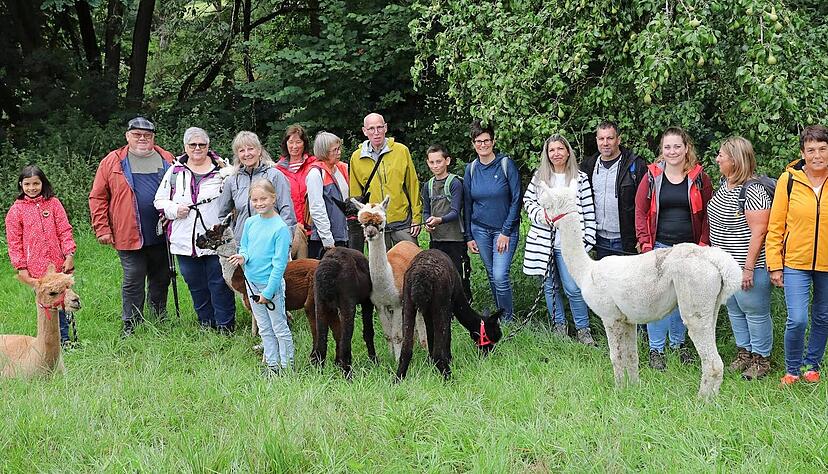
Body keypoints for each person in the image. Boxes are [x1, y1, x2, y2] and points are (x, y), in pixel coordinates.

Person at [635, 126, 712, 370]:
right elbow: (640, 211)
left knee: (682, 300)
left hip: (689, 249)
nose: (672, 151)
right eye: (667, 147)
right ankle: (656, 349)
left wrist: (703, 244)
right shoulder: (652, 176)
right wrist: (645, 243)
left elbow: (710, 213)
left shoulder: (699, 177)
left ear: (686, 148)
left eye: (677, 146)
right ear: (662, 150)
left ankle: (678, 345)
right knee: (657, 299)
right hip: (659, 247)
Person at [89, 116, 174, 336]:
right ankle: (131, 323)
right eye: (137, 135)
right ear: (128, 136)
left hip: (162, 233)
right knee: (133, 278)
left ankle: (158, 317)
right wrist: (102, 228)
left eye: (147, 135)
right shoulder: (112, 161)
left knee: (161, 277)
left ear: (153, 137)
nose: (142, 139)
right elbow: (98, 197)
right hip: (128, 233)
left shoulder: (166, 158)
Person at [154, 127, 236, 331]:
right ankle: (206, 324)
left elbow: (236, 199)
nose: (197, 148)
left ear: (208, 146)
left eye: (202, 144)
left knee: (220, 283)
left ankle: (225, 325)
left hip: (216, 238)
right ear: (185, 147)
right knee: (195, 283)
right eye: (193, 145)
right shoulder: (174, 172)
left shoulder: (223, 170)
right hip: (185, 240)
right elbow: (159, 200)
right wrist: (174, 210)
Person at [708, 136, 773, 380]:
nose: (717, 160)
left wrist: (747, 269)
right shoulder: (725, 185)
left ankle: (761, 359)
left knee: (754, 311)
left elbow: (759, 233)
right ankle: (744, 353)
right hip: (727, 266)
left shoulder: (753, 190)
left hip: (749, 266)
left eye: (721, 156)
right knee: (735, 310)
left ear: (735, 160)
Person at [768, 125, 828, 386]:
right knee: (797, 319)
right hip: (795, 262)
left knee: (823, 316)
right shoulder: (789, 180)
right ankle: (792, 369)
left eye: (823, 149)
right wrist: (774, 264)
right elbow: (775, 225)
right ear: (803, 153)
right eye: (811, 150)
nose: (818, 155)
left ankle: (811, 365)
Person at [523, 134, 597, 345]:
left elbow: (588, 211)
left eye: (560, 149)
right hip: (544, 241)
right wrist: (542, 216)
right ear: (547, 154)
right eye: (552, 150)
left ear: (567, 152)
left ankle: (583, 329)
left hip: (570, 244)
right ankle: (559, 327)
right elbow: (528, 201)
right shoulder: (540, 178)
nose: (556, 153)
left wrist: (587, 240)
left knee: (573, 288)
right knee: (550, 286)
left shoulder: (579, 178)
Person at [5, 165, 77, 347]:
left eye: (36, 183)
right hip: (36, 271)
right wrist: (21, 267)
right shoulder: (16, 210)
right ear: (21, 185)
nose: (32, 188)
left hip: (59, 267)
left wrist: (69, 253)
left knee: (63, 301)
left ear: (42, 183)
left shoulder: (53, 204)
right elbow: (14, 241)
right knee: (47, 304)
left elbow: (64, 230)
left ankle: (65, 340)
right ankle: (49, 343)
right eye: (27, 184)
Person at [228, 180, 294, 376]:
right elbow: (246, 248)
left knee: (279, 326)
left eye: (263, 199)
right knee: (264, 327)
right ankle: (272, 365)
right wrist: (243, 257)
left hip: (270, 285)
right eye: (254, 200)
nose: (259, 203)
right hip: (251, 283)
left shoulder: (280, 228)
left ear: (273, 198)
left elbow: (279, 264)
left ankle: (287, 367)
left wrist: (268, 291)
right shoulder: (250, 223)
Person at [464, 120, 521, 322]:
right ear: (473, 144)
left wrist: (505, 231)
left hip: (504, 230)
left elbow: (516, 199)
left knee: (499, 275)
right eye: (478, 141)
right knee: (490, 274)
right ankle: (499, 313)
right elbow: (468, 204)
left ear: (493, 141)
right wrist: (468, 236)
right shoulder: (470, 169)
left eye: (486, 140)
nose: (483, 145)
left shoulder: (506, 164)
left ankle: (507, 319)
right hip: (480, 229)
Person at [349, 113, 422, 251]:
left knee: (412, 260)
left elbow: (413, 185)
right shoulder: (356, 157)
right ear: (365, 131)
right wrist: (363, 226)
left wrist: (416, 217)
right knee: (381, 265)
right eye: (371, 129)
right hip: (375, 223)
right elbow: (356, 195)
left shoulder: (401, 151)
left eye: (379, 127)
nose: (376, 133)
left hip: (402, 220)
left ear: (386, 128)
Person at [580, 121, 647, 258]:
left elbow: (646, 204)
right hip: (599, 240)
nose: (605, 143)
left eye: (610, 138)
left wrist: (642, 238)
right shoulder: (588, 166)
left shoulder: (635, 165)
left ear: (618, 140)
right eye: (601, 138)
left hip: (626, 240)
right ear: (597, 140)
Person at [217, 131, 295, 245]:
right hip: (242, 245)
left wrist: (285, 241)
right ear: (237, 154)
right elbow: (222, 214)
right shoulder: (232, 180)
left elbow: (287, 210)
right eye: (242, 150)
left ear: (259, 151)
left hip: (271, 242)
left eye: (250, 149)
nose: (247, 154)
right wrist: (232, 236)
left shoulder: (275, 175)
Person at [421, 144, 472, 301]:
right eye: (432, 162)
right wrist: (427, 222)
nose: (435, 166)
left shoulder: (455, 183)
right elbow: (426, 211)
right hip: (436, 239)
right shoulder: (427, 185)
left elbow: (455, 212)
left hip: (455, 239)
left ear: (447, 161)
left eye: (439, 161)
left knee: (456, 273)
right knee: (437, 274)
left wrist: (439, 220)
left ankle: (461, 302)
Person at [306, 131, 350, 259]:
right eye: (334, 150)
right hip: (325, 240)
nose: (339, 152)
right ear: (324, 152)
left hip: (342, 234)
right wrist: (327, 239)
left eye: (339, 148)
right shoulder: (316, 174)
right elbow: (317, 208)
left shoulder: (341, 169)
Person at [276, 124, 318, 255]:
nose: (294, 146)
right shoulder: (277, 170)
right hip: (290, 228)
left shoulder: (315, 164)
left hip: (314, 228)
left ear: (304, 144)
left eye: (298, 142)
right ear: (285, 143)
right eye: (291, 142)